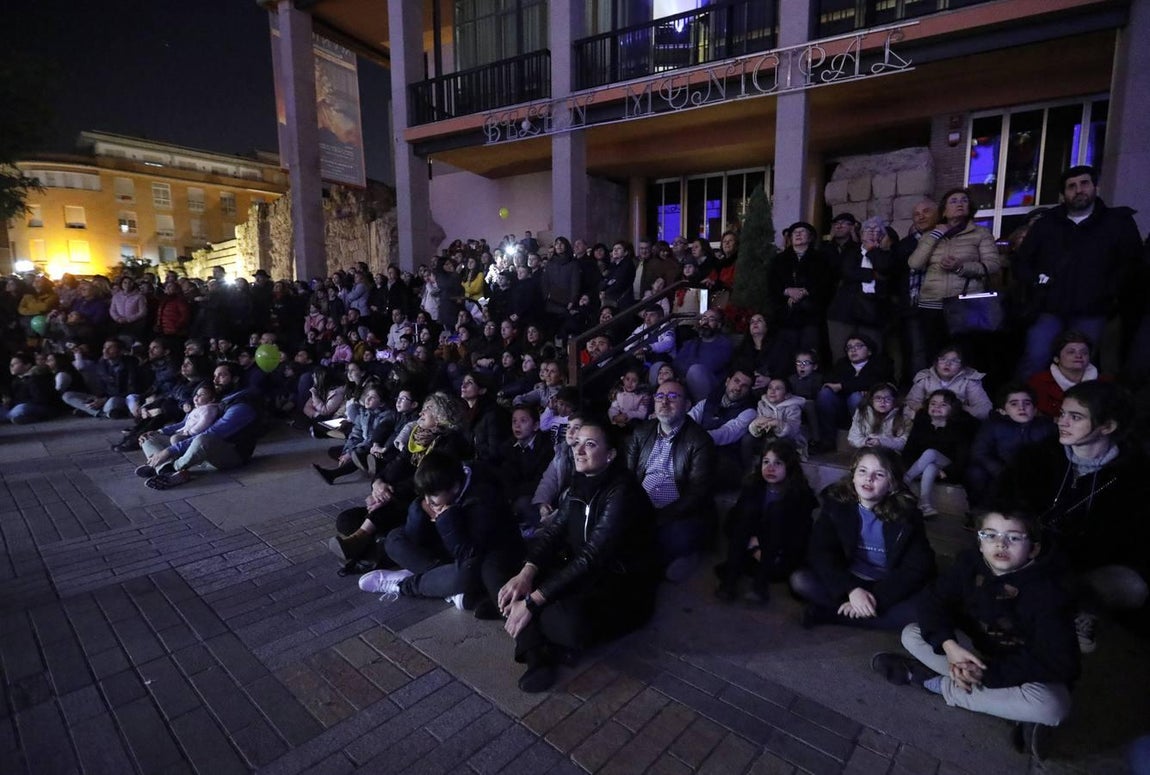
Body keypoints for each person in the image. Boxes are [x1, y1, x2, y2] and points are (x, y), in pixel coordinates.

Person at [871, 510, 1079, 761]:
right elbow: (932, 601)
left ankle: (935, 683)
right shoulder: (969, 564)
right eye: (990, 535)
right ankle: (1013, 711)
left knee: (1054, 707)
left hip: (1020, 671)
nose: (1000, 544)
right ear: (980, 543)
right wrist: (949, 646)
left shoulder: (1050, 590)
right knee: (911, 635)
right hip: (971, 652)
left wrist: (988, 674)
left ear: (1033, 549)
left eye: (1014, 538)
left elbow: (1059, 661)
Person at [495, 416, 660, 693]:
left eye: (590, 444)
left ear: (610, 455)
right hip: (580, 572)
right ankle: (538, 653)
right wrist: (527, 573)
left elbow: (594, 555)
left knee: (569, 623)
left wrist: (533, 601)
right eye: (577, 442)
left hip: (619, 584)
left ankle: (526, 633)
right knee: (504, 567)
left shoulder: (622, 491)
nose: (578, 449)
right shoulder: (580, 481)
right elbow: (554, 533)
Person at [994, 381, 1149, 653]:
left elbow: (1128, 541)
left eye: (1075, 417)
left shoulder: (1133, 477)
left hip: (1086, 566)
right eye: (1062, 413)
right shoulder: (1037, 457)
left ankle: (1077, 611)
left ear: (1108, 427)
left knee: (1132, 586)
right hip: (1032, 552)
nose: (1062, 422)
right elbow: (1003, 505)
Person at [1013, 165, 1142, 379]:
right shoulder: (1047, 225)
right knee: (1036, 358)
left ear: (1095, 187)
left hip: (1093, 310)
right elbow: (1022, 261)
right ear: (1064, 194)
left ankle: (1077, 410)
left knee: (1082, 365)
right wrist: (1036, 281)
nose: (1078, 190)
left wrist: (1110, 292)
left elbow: (1131, 264)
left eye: (1084, 183)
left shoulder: (1117, 223)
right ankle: (1021, 405)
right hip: (1049, 307)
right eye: (1071, 186)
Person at [358, 450, 523, 614]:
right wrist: (420, 509)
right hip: (446, 552)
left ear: (455, 487)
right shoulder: (439, 480)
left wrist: (446, 520)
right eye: (425, 494)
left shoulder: (483, 499)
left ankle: (405, 585)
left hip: (477, 557)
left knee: (465, 575)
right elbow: (415, 534)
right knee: (395, 538)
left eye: (433, 495)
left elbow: (469, 555)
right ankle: (442, 586)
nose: (428, 500)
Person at [790, 447, 936, 629]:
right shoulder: (836, 504)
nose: (869, 479)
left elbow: (918, 566)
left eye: (879, 474)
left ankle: (831, 615)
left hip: (887, 584)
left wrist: (876, 598)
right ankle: (864, 614)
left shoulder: (907, 514)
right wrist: (851, 589)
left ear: (892, 484)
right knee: (801, 580)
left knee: (922, 613)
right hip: (851, 577)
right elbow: (821, 550)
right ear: (853, 476)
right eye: (863, 471)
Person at [624, 379, 716, 581]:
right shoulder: (641, 432)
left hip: (679, 512)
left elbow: (697, 494)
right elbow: (628, 477)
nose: (664, 402)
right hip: (643, 505)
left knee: (674, 537)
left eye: (673, 397)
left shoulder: (700, 440)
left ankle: (683, 557)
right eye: (660, 396)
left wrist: (659, 517)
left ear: (688, 405)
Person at [906, 188, 1001, 368]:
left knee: (966, 354)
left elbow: (992, 265)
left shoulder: (981, 233)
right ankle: (936, 394)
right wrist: (935, 235)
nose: (959, 203)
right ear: (944, 210)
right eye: (954, 201)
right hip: (932, 304)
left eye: (964, 200)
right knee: (933, 354)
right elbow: (915, 263)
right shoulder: (930, 235)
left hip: (965, 304)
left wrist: (961, 267)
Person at [716, 440, 818, 603]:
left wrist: (763, 547)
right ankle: (729, 582)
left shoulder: (800, 496)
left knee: (776, 511)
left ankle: (760, 587)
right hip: (749, 552)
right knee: (748, 510)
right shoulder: (753, 487)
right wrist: (753, 545)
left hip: (779, 557)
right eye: (766, 462)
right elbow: (731, 523)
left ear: (789, 467)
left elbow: (799, 538)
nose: (770, 468)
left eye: (778, 463)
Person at [135, 362, 265, 490]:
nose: (215, 380)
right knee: (150, 438)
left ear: (235, 379)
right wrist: (158, 432)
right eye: (215, 375)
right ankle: (169, 472)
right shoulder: (221, 398)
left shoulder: (242, 405)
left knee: (203, 439)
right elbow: (185, 423)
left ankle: (169, 468)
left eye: (221, 376)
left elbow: (213, 433)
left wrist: (168, 451)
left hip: (230, 454)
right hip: (199, 452)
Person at [965, 384, 1055, 509]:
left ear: (1035, 409)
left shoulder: (1046, 427)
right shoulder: (993, 425)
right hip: (1001, 470)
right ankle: (980, 513)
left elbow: (1053, 456)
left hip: (1034, 473)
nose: (1021, 408)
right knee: (976, 472)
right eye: (1014, 404)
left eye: (1027, 403)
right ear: (1003, 410)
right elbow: (979, 452)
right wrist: (1001, 471)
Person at [825, 216, 894, 360]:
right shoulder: (851, 251)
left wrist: (871, 251)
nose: (872, 233)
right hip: (844, 312)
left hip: (873, 313)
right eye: (868, 229)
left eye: (876, 230)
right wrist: (874, 274)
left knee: (872, 354)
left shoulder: (888, 254)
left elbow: (886, 269)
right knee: (841, 354)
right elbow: (847, 272)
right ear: (861, 234)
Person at [813, 335, 895, 454]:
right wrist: (858, 386)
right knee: (825, 395)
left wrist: (842, 386)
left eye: (858, 346)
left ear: (870, 351)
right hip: (841, 408)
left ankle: (865, 442)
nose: (853, 350)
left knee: (856, 397)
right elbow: (828, 381)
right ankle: (827, 441)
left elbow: (876, 382)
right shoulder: (842, 363)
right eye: (849, 347)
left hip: (868, 411)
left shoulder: (880, 363)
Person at [901, 390, 978, 517]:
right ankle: (925, 505)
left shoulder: (960, 426)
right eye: (933, 404)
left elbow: (963, 458)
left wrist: (947, 471)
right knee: (931, 466)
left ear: (953, 408)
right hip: (925, 467)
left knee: (930, 453)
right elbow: (909, 450)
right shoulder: (922, 422)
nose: (936, 407)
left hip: (950, 468)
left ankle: (904, 483)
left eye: (943, 405)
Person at [1026, 330, 1106, 417]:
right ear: (1056, 358)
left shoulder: (1105, 382)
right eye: (1071, 352)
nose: (1079, 355)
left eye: (1084, 352)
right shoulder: (1038, 382)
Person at [905, 345, 992, 420]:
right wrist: (928, 411)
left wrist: (959, 408)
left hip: (959, 422)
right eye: (943, 359)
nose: (947, 364)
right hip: (928, 422)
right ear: (936, 362)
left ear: (961, 365)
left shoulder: (969, 380)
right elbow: (910, 403)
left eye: (954, 361)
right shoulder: (925, 378)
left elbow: (985, 410)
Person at [671, 308, 734, 403]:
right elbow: (676, 364)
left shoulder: (724, 344)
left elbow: (709, 366)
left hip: (712, 389)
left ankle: (703, 412)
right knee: (660, 368)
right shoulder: (691, 343)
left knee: (696, 371)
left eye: (711, 319)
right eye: (704, 318)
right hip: (685, 384)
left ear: (719, 325)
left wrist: (687, 371)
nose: (706, 322)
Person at [747, 378, 807, 459]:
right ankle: (749, 468)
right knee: (747, 439)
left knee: (781, 442)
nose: (772, 391)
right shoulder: (762, 404)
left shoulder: (793, 407)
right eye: (770, 388)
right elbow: (758, 425)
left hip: (788, 440)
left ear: (787, 395)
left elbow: (793, 430)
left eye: (778, 388)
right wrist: (756, 425)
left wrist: (778, 424)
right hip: (767, 438)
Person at [847, 382, 910, 453]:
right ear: (871, 399)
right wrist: (866, 442)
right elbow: (853, 437)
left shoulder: (903, 414)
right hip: (867, 451)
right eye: (878, 398)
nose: (882, 402)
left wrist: (881, 442)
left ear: (894, 400)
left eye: (888, 399)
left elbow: (903, 443)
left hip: (891, 455)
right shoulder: (862, 412)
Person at [0, 352, 59, 424]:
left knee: (21, 408)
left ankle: (9, 417)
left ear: (27, 365)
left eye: (15, 363)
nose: (11, 366)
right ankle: (16, 417)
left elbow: (40, 399)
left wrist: (15, 403)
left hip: (41, 406)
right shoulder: (16, 380)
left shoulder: (36, 378)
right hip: (18, 406)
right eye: (11, 364)